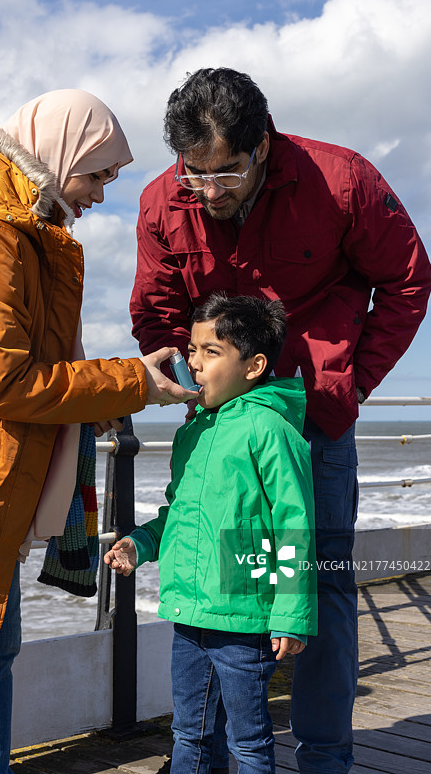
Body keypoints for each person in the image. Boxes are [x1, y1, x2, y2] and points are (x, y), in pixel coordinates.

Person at [129, 68, 431, 773]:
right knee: (217, 579)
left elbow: (409, 280)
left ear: (262, 144)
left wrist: (350, 385)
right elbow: (157, 315)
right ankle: (210, 756)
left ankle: (323, 760)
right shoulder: (159, 201)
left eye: (226, 171)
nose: (209, 190)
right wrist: (189, 390)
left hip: (317, 421)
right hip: (216, 431)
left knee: (318, 582)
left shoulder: (344, 180)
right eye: (194, 173)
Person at [0, 89, 196, 774]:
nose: (101, 194)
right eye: (96, 174)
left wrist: (122, 386)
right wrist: (130, 383)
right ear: (55, 153)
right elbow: (4, 384)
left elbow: (27, 378)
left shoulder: (15, 234)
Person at [106, 293, 318, 774]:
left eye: (211, 352)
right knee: (189, 733)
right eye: (193, 350)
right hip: (190, 613)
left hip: (245, 620)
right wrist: (139, 543)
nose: (194, 364)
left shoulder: (270, 429)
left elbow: (295, 527)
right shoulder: (192, 432)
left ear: (254, 365)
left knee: (248, 742)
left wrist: (291, 616)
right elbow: (179, 513)